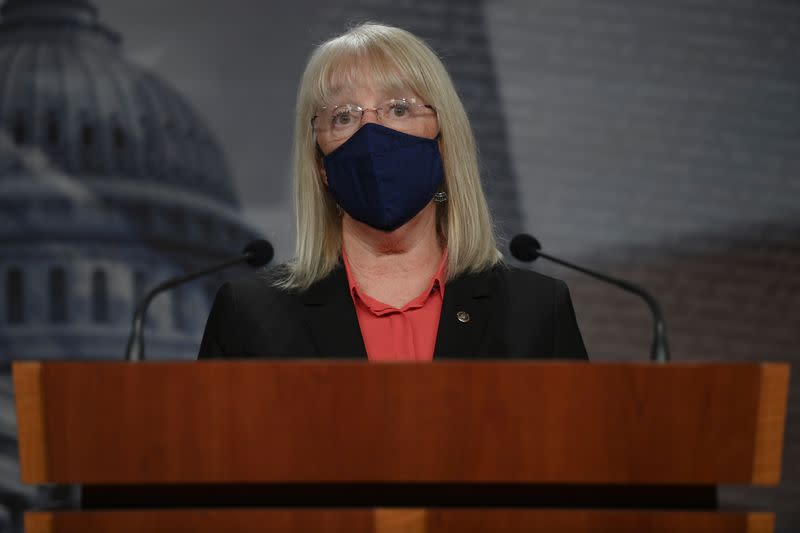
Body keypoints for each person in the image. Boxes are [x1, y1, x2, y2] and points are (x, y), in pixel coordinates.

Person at [198, 22, 588, 361]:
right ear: (321, 165)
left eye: (399, 109)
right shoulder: (248, 315)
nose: (371, 135)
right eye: (343, 116)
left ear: (443, 141)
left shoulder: (536, 311)